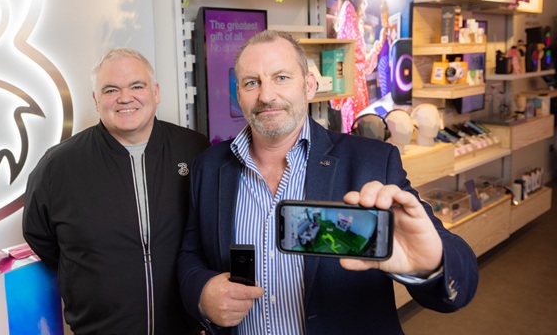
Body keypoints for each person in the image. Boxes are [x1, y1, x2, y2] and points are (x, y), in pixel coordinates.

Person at [177, 30, 478, 334]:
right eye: (252, 82)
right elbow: (191, 253)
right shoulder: (210, 166)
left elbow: (457, 279)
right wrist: (202, 294)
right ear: (238, 94)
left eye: (281, 78)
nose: (266, 95)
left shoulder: (371, 162)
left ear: (309, 86)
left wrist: (429, 264)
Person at [23, 48, 210, 335]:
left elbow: (210, 231)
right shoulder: (59, 165)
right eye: (111, 90)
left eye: (137, 86)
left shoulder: (195, 150)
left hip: (185, 327)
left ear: (156, 92)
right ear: (96, 100)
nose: (125, 98)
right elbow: (40, 236)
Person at [330, 0, 384, 133]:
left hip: (354, 86)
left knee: (356, 129)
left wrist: (375, 51)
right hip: (353, 87)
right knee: (356, 130)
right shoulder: (349, 9)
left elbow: (361, 64)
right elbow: (354, 57)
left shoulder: (348, 9)